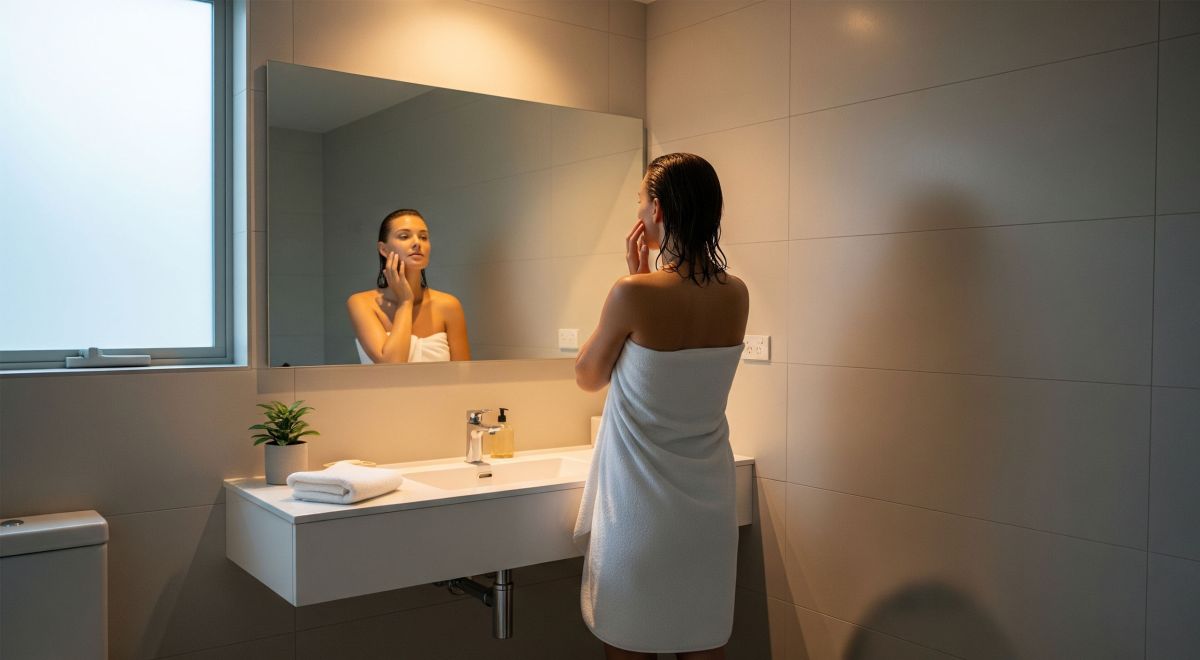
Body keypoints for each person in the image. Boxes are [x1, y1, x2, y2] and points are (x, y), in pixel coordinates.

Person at [573, 153, 750, 660]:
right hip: (708, 510)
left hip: (641, 514)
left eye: (641, 204)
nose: (640, 216)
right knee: (703, 641)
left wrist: (636, 279)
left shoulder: (632, 291)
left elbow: (587, 377)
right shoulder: (736, 294)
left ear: (660, 213)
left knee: (630, 643)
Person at [347, 209, 470, 363]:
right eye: (404, 236)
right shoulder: (362, 303)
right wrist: (405, 303)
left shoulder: (449, 306)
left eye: (423, 237)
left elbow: (464, 378)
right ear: (383, 249)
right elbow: (391, 365)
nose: (417, 243)